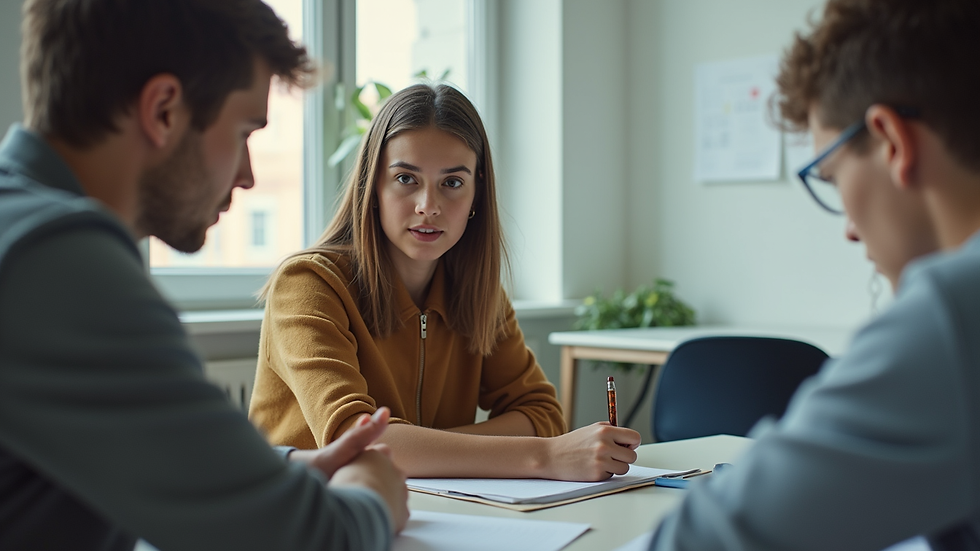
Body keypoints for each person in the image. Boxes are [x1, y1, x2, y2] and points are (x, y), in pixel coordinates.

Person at [0, 1, 409, 549]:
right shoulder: (55, 262)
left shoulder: (21, 230)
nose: (247, 174)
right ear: (164, 110)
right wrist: (371, 492)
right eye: (244, 131)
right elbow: (309, 540)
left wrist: (279, 470)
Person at [649, 0, 980, 550]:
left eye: (830, 177)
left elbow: (706, 540)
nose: (850, 229)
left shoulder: (957, 312)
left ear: (892, 141)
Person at [249, 83, 642, 480]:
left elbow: (541, 413)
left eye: (452, 183)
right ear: (373, 188)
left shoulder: (479, 293)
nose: (429, 206)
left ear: (476, 194)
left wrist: (419, 449)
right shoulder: (307, 284)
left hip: (421, 510)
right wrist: (544, 457)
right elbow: (354, 441)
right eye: (406, 179)